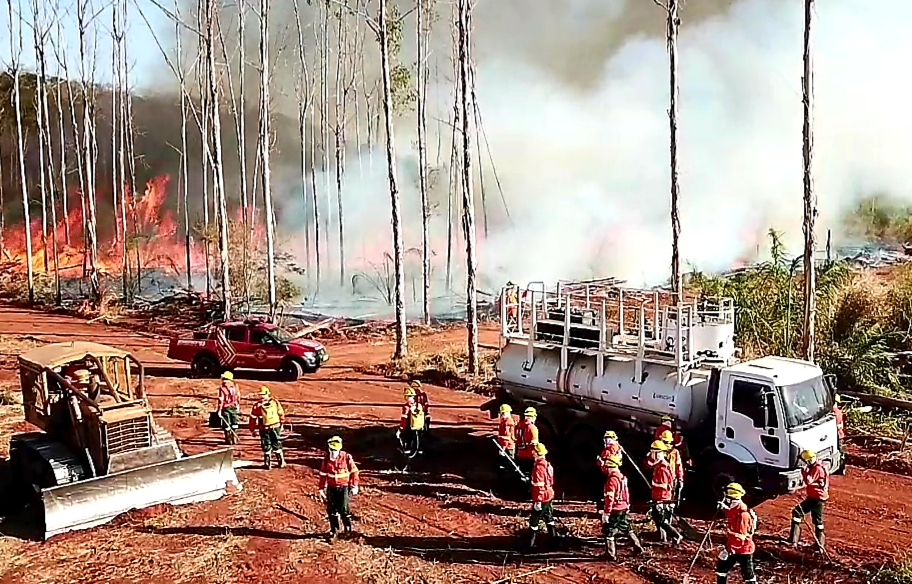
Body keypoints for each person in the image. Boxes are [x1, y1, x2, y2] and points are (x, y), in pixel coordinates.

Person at [602, 453, 644, 560]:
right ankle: (638, 546)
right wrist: (628, 504)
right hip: (623, 507)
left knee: (609, 530)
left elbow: (609, 498)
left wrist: (606, 512)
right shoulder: (622, 478)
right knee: (626, 527)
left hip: (615, 509)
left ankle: (611, 555)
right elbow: (626, 493)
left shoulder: (611, 480)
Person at [715, 482, 758, 584]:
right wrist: (723, 507)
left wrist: (729, 550)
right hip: (734, 548)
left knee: (748, 576)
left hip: (743, 550)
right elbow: (731, 513)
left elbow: (741, 538)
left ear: (730, 498)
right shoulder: (736, 508)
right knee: (721, 568)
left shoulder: (743, 515)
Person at [318, 435, 360, 539]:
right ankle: (334, 530)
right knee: (332, 510)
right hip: (331, 488)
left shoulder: (346, 457)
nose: (333, 452)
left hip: (344, 487)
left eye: (335, 450)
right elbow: (323, 474)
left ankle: (348, 528)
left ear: (339, 449)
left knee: (344, 508)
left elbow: (354, 471)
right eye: (331, 450)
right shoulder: (326, 459)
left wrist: (354, 485)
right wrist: (321, 488)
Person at [789, 449, 829, 549]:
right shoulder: (820, 466)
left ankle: (794, 541)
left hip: (816, 498)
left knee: (798, 512)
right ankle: (819, 545)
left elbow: (808, 481)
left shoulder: (817, 469)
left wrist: (803, 471)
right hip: (816, 497)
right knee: (816, 520)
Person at [649, 440, 683, 544]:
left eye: (653, 452)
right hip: (659, 497)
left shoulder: (663, 468)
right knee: (658, 518)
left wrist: (654, 485)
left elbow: (665, 485)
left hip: (662, 498)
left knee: (662, 520)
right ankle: (662, 538)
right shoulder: (659, 465)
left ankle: (676, 535)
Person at [248, 386, 286, 469]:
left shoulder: (257, 406)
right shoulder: (275, 402)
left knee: (266, 445)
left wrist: (252, 429)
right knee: (276, 443)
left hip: (264, 428)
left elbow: (253, 418)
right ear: (268, 394)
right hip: (275, 426)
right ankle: (281, 462)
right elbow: (281, 413)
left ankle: (267, 464)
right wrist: (282, 423)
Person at [529, 442, 556, 548]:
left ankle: (531, 543)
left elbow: (539, 485)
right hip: (549, 494)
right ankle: (553, 538)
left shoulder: (538, 468)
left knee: (534, 520)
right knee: (548, 516)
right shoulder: (547, 464)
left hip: (542, 497)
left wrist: (538, 501)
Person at [397, 386, 425, 455]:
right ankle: (419, 450)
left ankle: (407, 451)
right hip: (418, 426)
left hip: (409, 427)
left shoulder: (406, 407)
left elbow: (404, 420)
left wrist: (400, 429)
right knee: (417, 439)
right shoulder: (419, 406)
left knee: (408, 438)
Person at [661, 430, 685, 506]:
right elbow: (679, 466)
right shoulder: (675, 452)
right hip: (671, 478)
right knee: (670, 497)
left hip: (663, 479)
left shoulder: (659, 450)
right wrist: (681, 478)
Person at [515, 407, 540, 478]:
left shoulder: (519, 426)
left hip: (520, 454)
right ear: (533, 417)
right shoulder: (532, 428)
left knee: (522, 472)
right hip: (529, 455)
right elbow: (534, 443)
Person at [217, 371, 240, 445]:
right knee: (234, 422)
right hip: (234, 406)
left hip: (226, 408)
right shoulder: (235, 386)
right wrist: (238, 405)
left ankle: (228, 439)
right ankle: (234, 438)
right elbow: (238, 396)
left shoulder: (222, 388)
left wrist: (219, 410)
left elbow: (221, 399)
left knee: (226, 424)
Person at [833, 395, 846, 475]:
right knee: (841, 453)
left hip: (835, 435)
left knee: (837, 452)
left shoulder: (833, 412)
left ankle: (839, 468)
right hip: (840, 435)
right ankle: (842, 468)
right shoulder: (839, 411)